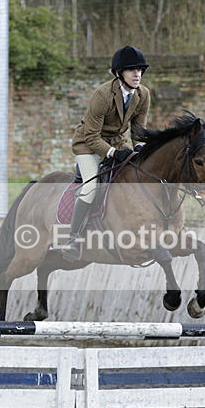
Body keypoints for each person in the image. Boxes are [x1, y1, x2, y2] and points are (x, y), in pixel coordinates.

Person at [63, 45, 151, 261]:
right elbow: (92, 136)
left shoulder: (143, 94)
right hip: (88, 145)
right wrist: (112, 153)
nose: (137, 74)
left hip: (119, 143)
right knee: (91, 187)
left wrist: (139, 149)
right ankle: (73, 238)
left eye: (139, 69)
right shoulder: (103, 95)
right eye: (131, 70)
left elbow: (138, 131)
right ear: (119, 73)